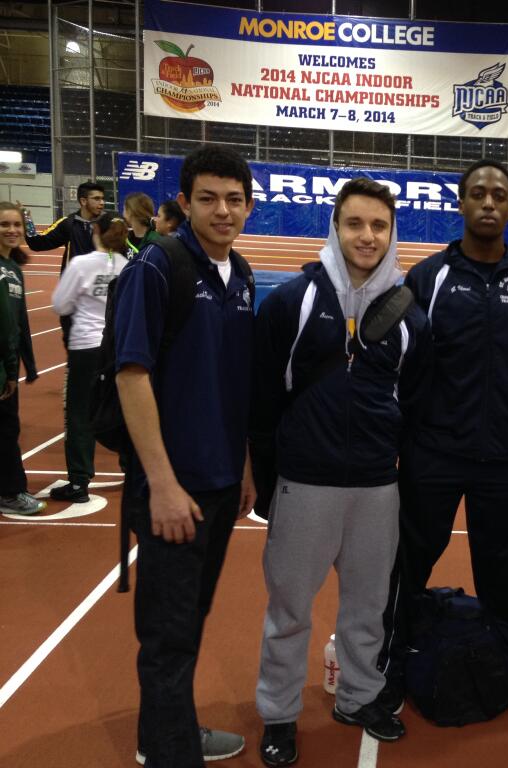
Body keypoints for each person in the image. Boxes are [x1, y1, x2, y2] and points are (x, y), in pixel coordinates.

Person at [251, 177, 431, 764]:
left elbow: (414, 404)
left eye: (379, 225)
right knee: (289, 612)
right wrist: (266, 481)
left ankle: (359, 697)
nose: (367, 236)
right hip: (306, 484)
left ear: (392, 233)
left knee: (368, 607)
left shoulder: (409, 317)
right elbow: (263, 398)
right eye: (355, 223)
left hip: (377, 487)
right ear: (335, 227)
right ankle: (279, 714)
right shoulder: (292, 302)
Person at [393, 158, 508, 708]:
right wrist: (411, 438)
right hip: (434, 453)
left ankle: (506, 664)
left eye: (499, 196)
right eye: (478, 194)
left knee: (501, 570)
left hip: (506, 459)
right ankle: (392, 659)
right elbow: (406, 365)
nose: (488, 203)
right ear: (461, 203)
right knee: (412, 558)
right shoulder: (428, 277)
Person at [114, 146, 257, 767]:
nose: (222, 210)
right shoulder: (157, 266)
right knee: (167, 633)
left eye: (234, 199)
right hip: (174, 489)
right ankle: (172, 753)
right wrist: (164, 485)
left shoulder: (241, 274)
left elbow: (235, 380)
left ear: (249, 207)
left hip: (222, 482)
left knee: (190, 619)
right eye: (208, 198)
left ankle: (165, 734)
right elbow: (131, 375)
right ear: (184, 202)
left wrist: (244, 466)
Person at [49, 212, 129, 503]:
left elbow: (60, 304)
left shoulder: (81, 264)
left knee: (79, 414)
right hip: (115, 348)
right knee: (122, 409)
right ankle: (131, 466)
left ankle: (79, 481)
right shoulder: (127, 266)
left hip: (85, 347)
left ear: (96, 231)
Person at [0, 202, 43, 516]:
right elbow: (4, 326)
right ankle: (12, 492)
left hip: (7, 367)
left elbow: (19, 322)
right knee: (6, 431)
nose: (12, 230)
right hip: (2, 370)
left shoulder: (13, 268)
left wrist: (29, 363)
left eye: (16, 224)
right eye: (4, 224)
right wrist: (11, 370)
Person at [25, 180, 105, 272]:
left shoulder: (107, 225)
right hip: (73, 280)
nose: (102, 202)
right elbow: (37, 243)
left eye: (102, 198)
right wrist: (27, 221)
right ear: (83, 201)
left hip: (99, 280)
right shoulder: (68, 224)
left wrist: (109, 259)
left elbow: (111, 252)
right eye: (97, 199)